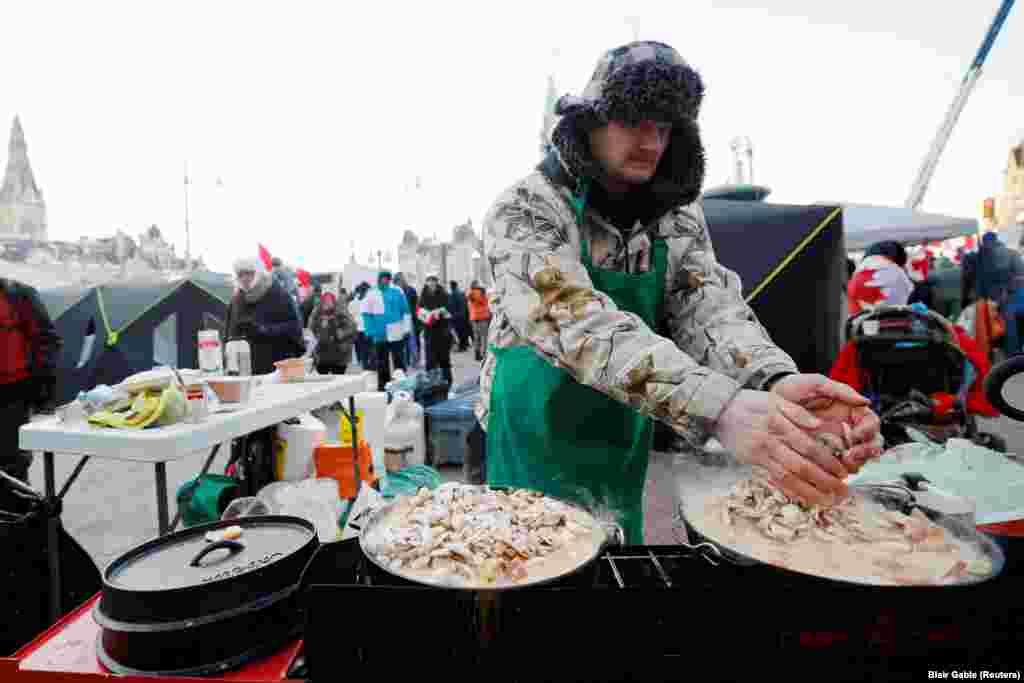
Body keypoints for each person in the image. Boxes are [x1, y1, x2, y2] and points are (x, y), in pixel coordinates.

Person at [479, 41, 881, 544]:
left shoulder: (675, 215)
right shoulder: (526, 208)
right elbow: (570, 320)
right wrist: (719, 407)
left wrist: (774, 380)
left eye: (665, 127)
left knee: (613, 549)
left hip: (620, 422)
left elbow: (708, 306)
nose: (651, 141)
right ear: (590, 122)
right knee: (528, 559)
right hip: (533, 427)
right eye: (634, 120)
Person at [0, 277, 61, 483]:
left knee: (11, 467)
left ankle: (22, 513)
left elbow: (47, 340)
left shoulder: (18, 294)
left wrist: (44, 394)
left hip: (12, 394)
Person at [226, 258, 305, 374]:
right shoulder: (236, 300)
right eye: (240, 274)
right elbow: (228, 333)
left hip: (275, 367)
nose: (244, 278)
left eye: (249, 273)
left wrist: (264, 329)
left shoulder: (278, 294)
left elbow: (295, 327)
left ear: (258, 273)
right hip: (245, 369)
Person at [362, 271, 411, 391]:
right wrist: (370, 330)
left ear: (389, 279)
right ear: (379, 279)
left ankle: (402, 386)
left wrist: (406, 328)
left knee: (399, 361)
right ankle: (384, 388)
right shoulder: (372, 293)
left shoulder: (397, 291)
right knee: (382, 363)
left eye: (387, 278)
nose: (384, 280)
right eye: (382, 278)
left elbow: (405, 310)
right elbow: (366, 314)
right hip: (380, 334)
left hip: (396, 332)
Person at [847, 240, 914, 316]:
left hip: (857, 280)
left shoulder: (866, 262)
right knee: (895, 314)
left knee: (859, 318)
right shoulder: (894, 269)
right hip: (883, 274)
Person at [308, 292, 357, 375]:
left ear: (333, 301)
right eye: (325, 301)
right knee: (323, 379)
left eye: (329, 301)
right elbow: (312, 326)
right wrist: (319, 333)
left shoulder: (341, 311)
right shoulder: (317, 312)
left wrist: (340, 333)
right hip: (322, 354)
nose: (327, 303)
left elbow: (352, 326)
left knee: (338, 379)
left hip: (339, 353)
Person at [417, 275, 454, 385]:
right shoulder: (422, 296)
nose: (432, 284)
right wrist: (426, 317)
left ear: (437, 282)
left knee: (444, 359)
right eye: (429, 281)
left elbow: (450, 312)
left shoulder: (444, 295)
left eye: (434, 281)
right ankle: (431, 382)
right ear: (427, 283)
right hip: (429, 332)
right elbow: (419, 312)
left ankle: (447, 381)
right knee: (430, 360)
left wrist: (442, 312)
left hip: (443, 331)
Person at [394, 272, 420, 368]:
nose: (400, 281)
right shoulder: (394, 291)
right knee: (402, 342)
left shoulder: (410, 290)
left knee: (412, 341)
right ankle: (405, 362)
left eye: (401, 279)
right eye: (398, 280)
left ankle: (414, 361)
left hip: (409, 318)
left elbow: (416, 304)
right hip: (399, 320)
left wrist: (413, 315)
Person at [349, 282, 374, 370]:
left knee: (364, 352)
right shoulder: (365, 303)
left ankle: (366, 367)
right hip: (363, 330)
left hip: (361, 330)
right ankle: (366, 368)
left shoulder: (352, 303)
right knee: (365, 352)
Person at [467, 280, 492, 362]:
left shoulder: (469, 293)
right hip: (483, 317)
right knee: (484, 337)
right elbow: (486, 302)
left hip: (474, 318)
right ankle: (483, 354)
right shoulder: (482, 292)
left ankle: (477, 354)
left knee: (476, 337)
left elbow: (470, 305)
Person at [448, 281, 471, 351]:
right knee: (463, 331)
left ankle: (461, 347)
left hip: (456, 316)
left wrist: (452, 315)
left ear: (451, 286)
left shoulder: (452, 295)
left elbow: (451, 306)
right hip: (463, 315)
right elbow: (466, 304)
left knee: (458, 332)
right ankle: (464, 346)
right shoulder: (461, 294)